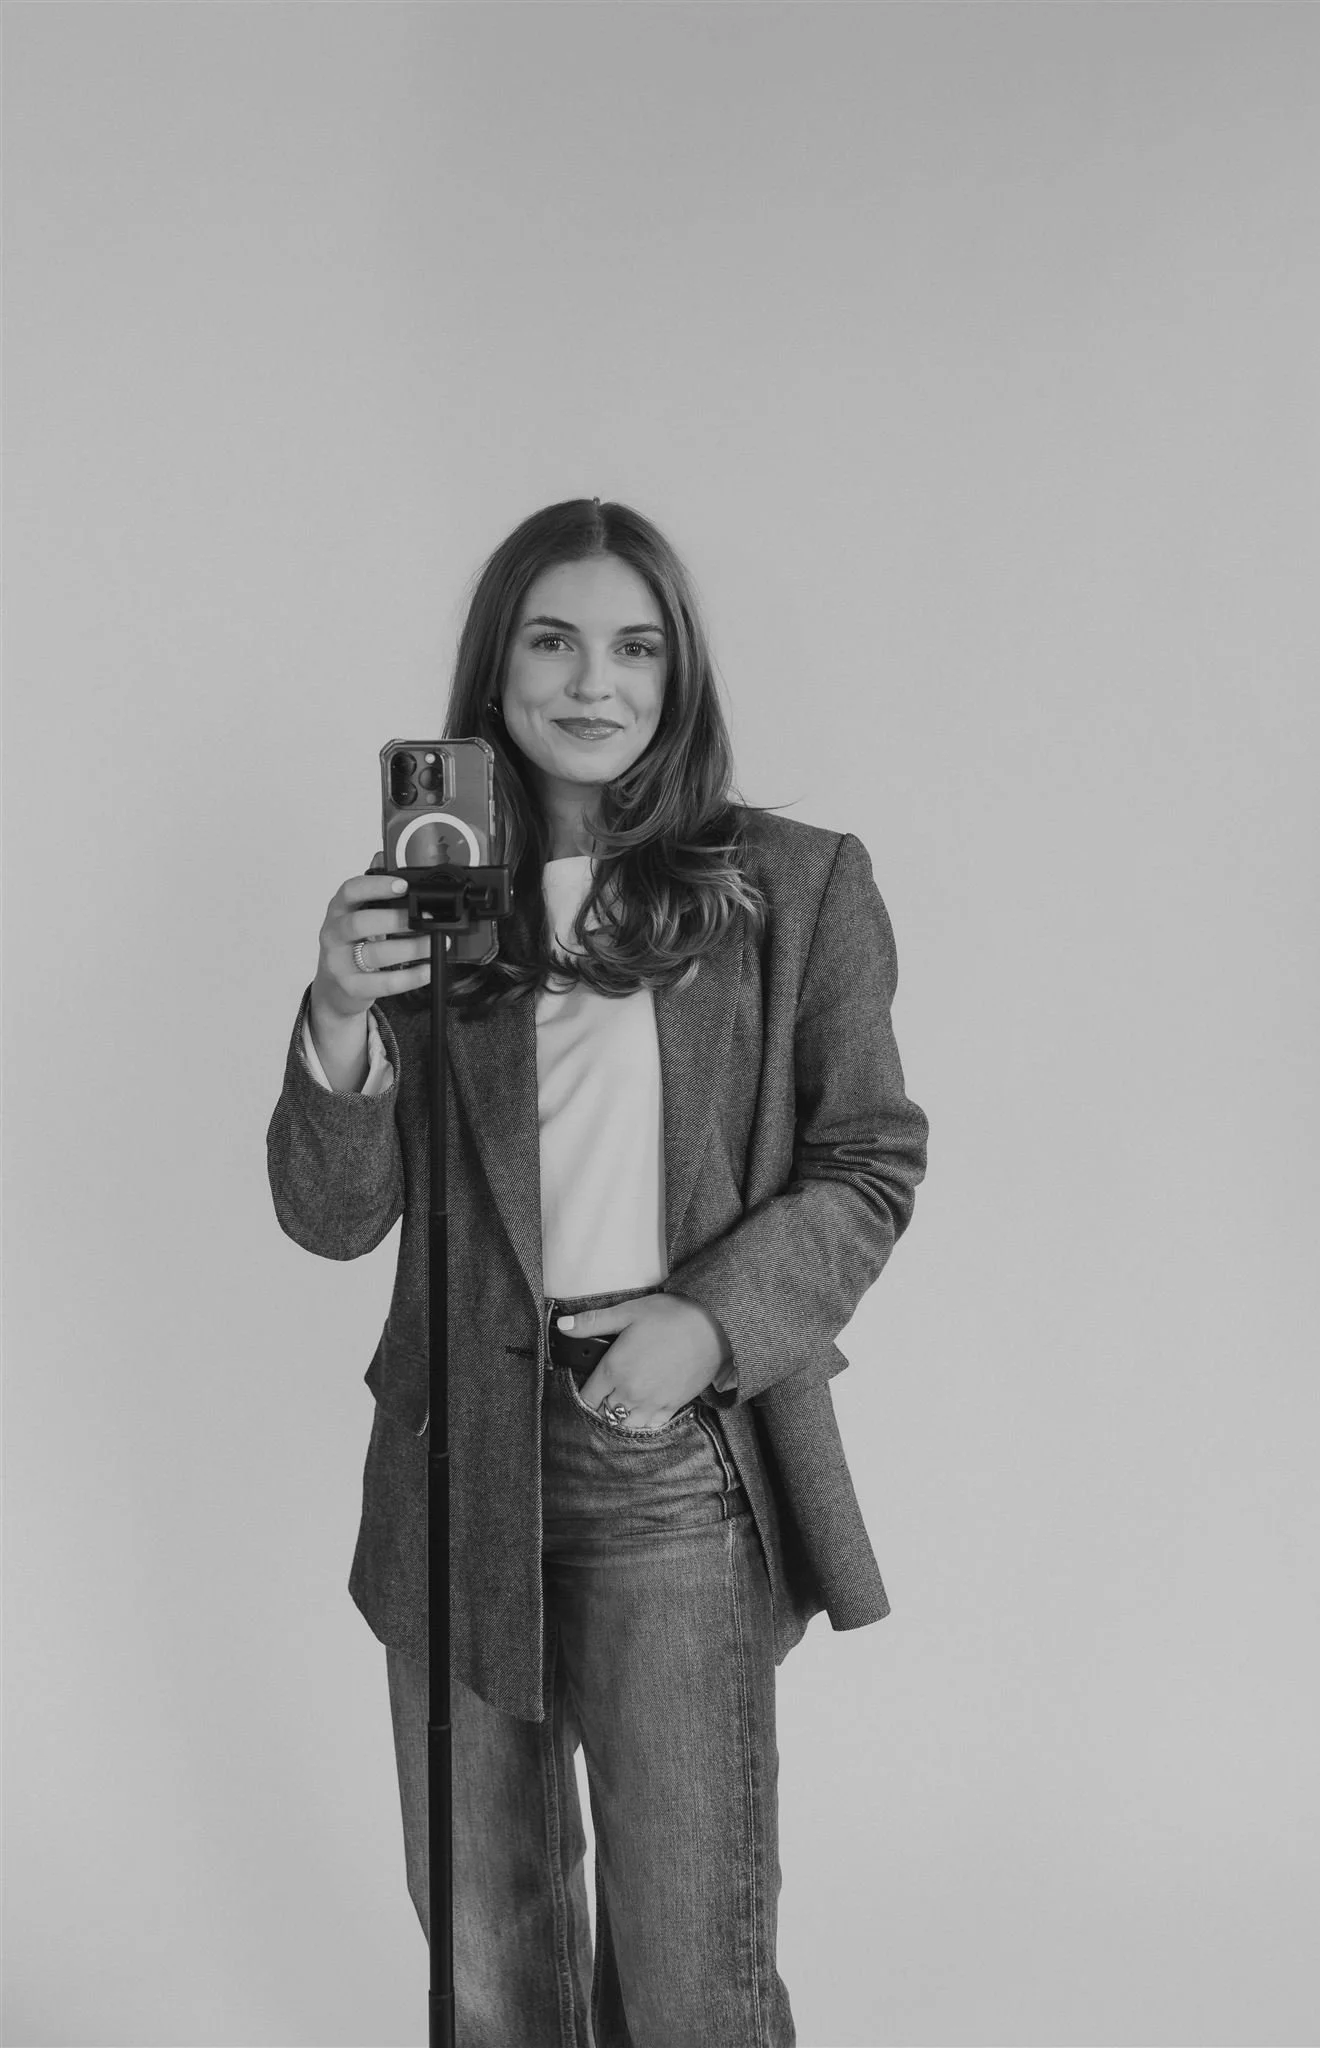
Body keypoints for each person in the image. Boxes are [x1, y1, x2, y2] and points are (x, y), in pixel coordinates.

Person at [266, 497, 929, 2048]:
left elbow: (871, 1160)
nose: (592, 682)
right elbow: (332, 1216)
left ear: (677, 675)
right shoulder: (434, 902)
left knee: (694, 1969)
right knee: (494, 1966)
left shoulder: (796, 886)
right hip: (453, 1470)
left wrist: (709, 1324)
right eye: (552, 640)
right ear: (495, 668)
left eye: (634, 646)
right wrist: (340, 1017)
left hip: (673, 1460)